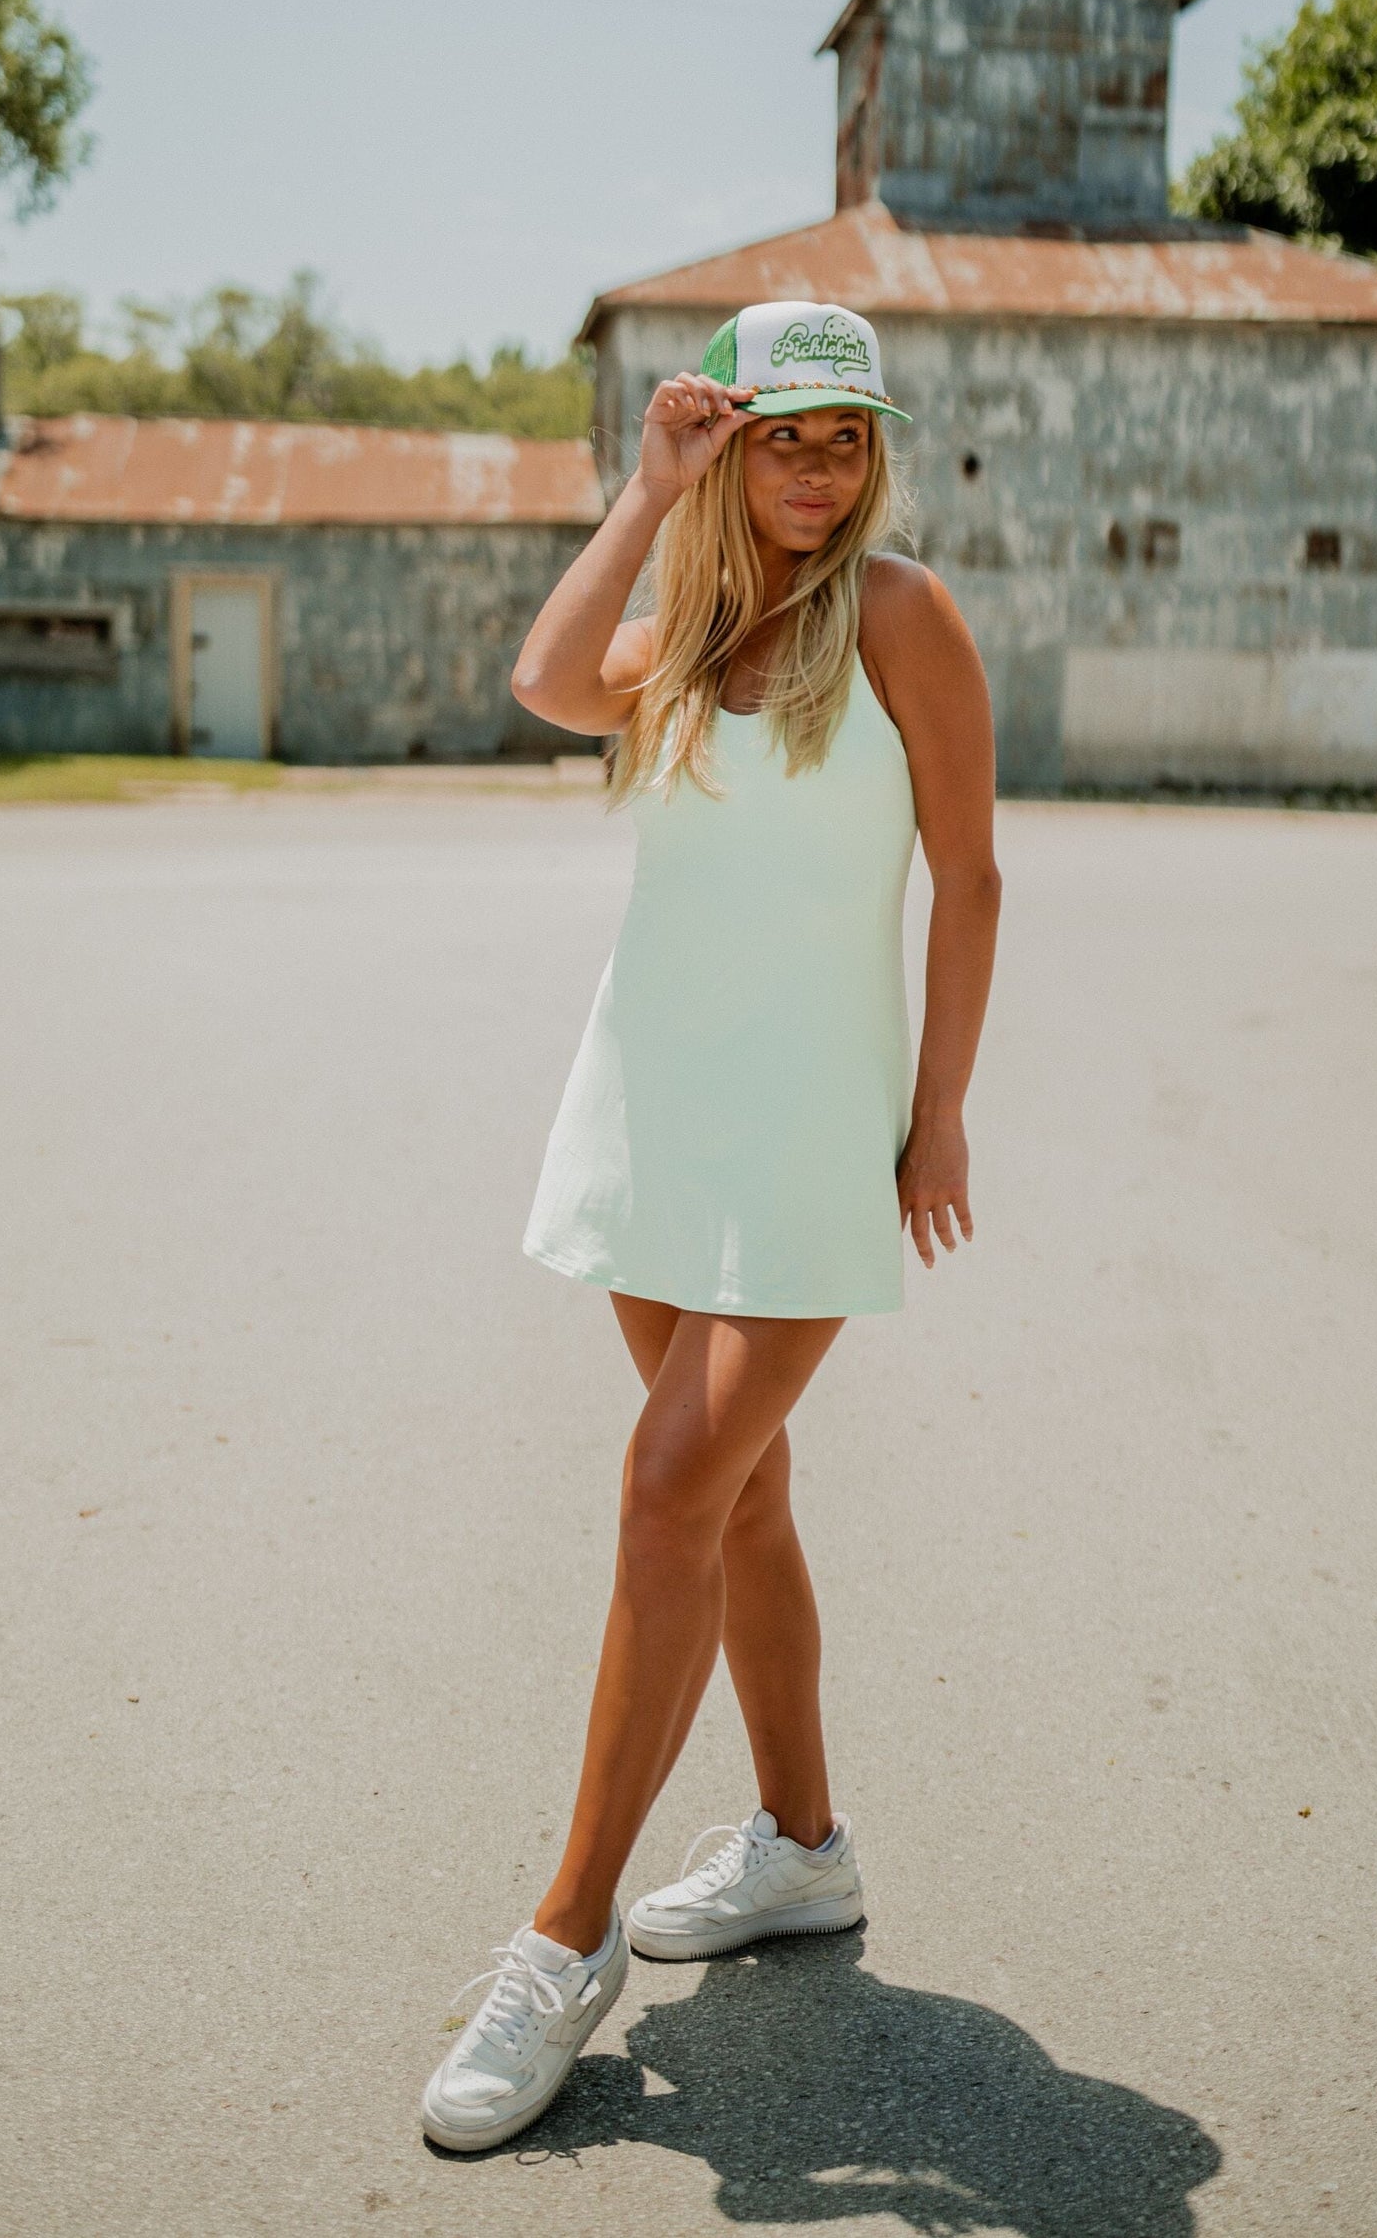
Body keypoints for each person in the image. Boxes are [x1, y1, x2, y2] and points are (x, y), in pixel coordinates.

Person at [421, 298, 1001, 2155]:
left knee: (671, 1486)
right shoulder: (688, 626)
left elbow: (972, 873)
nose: (819, 467)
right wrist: (644, 486)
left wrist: (935, 1114)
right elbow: (544, 678)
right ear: (731, 444)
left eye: (844, 436)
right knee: (739, 1498)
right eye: (782, 435)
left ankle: (561, 1938)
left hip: (812, 1143)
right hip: (653, 1121)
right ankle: (804, 1853)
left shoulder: (903, 619)